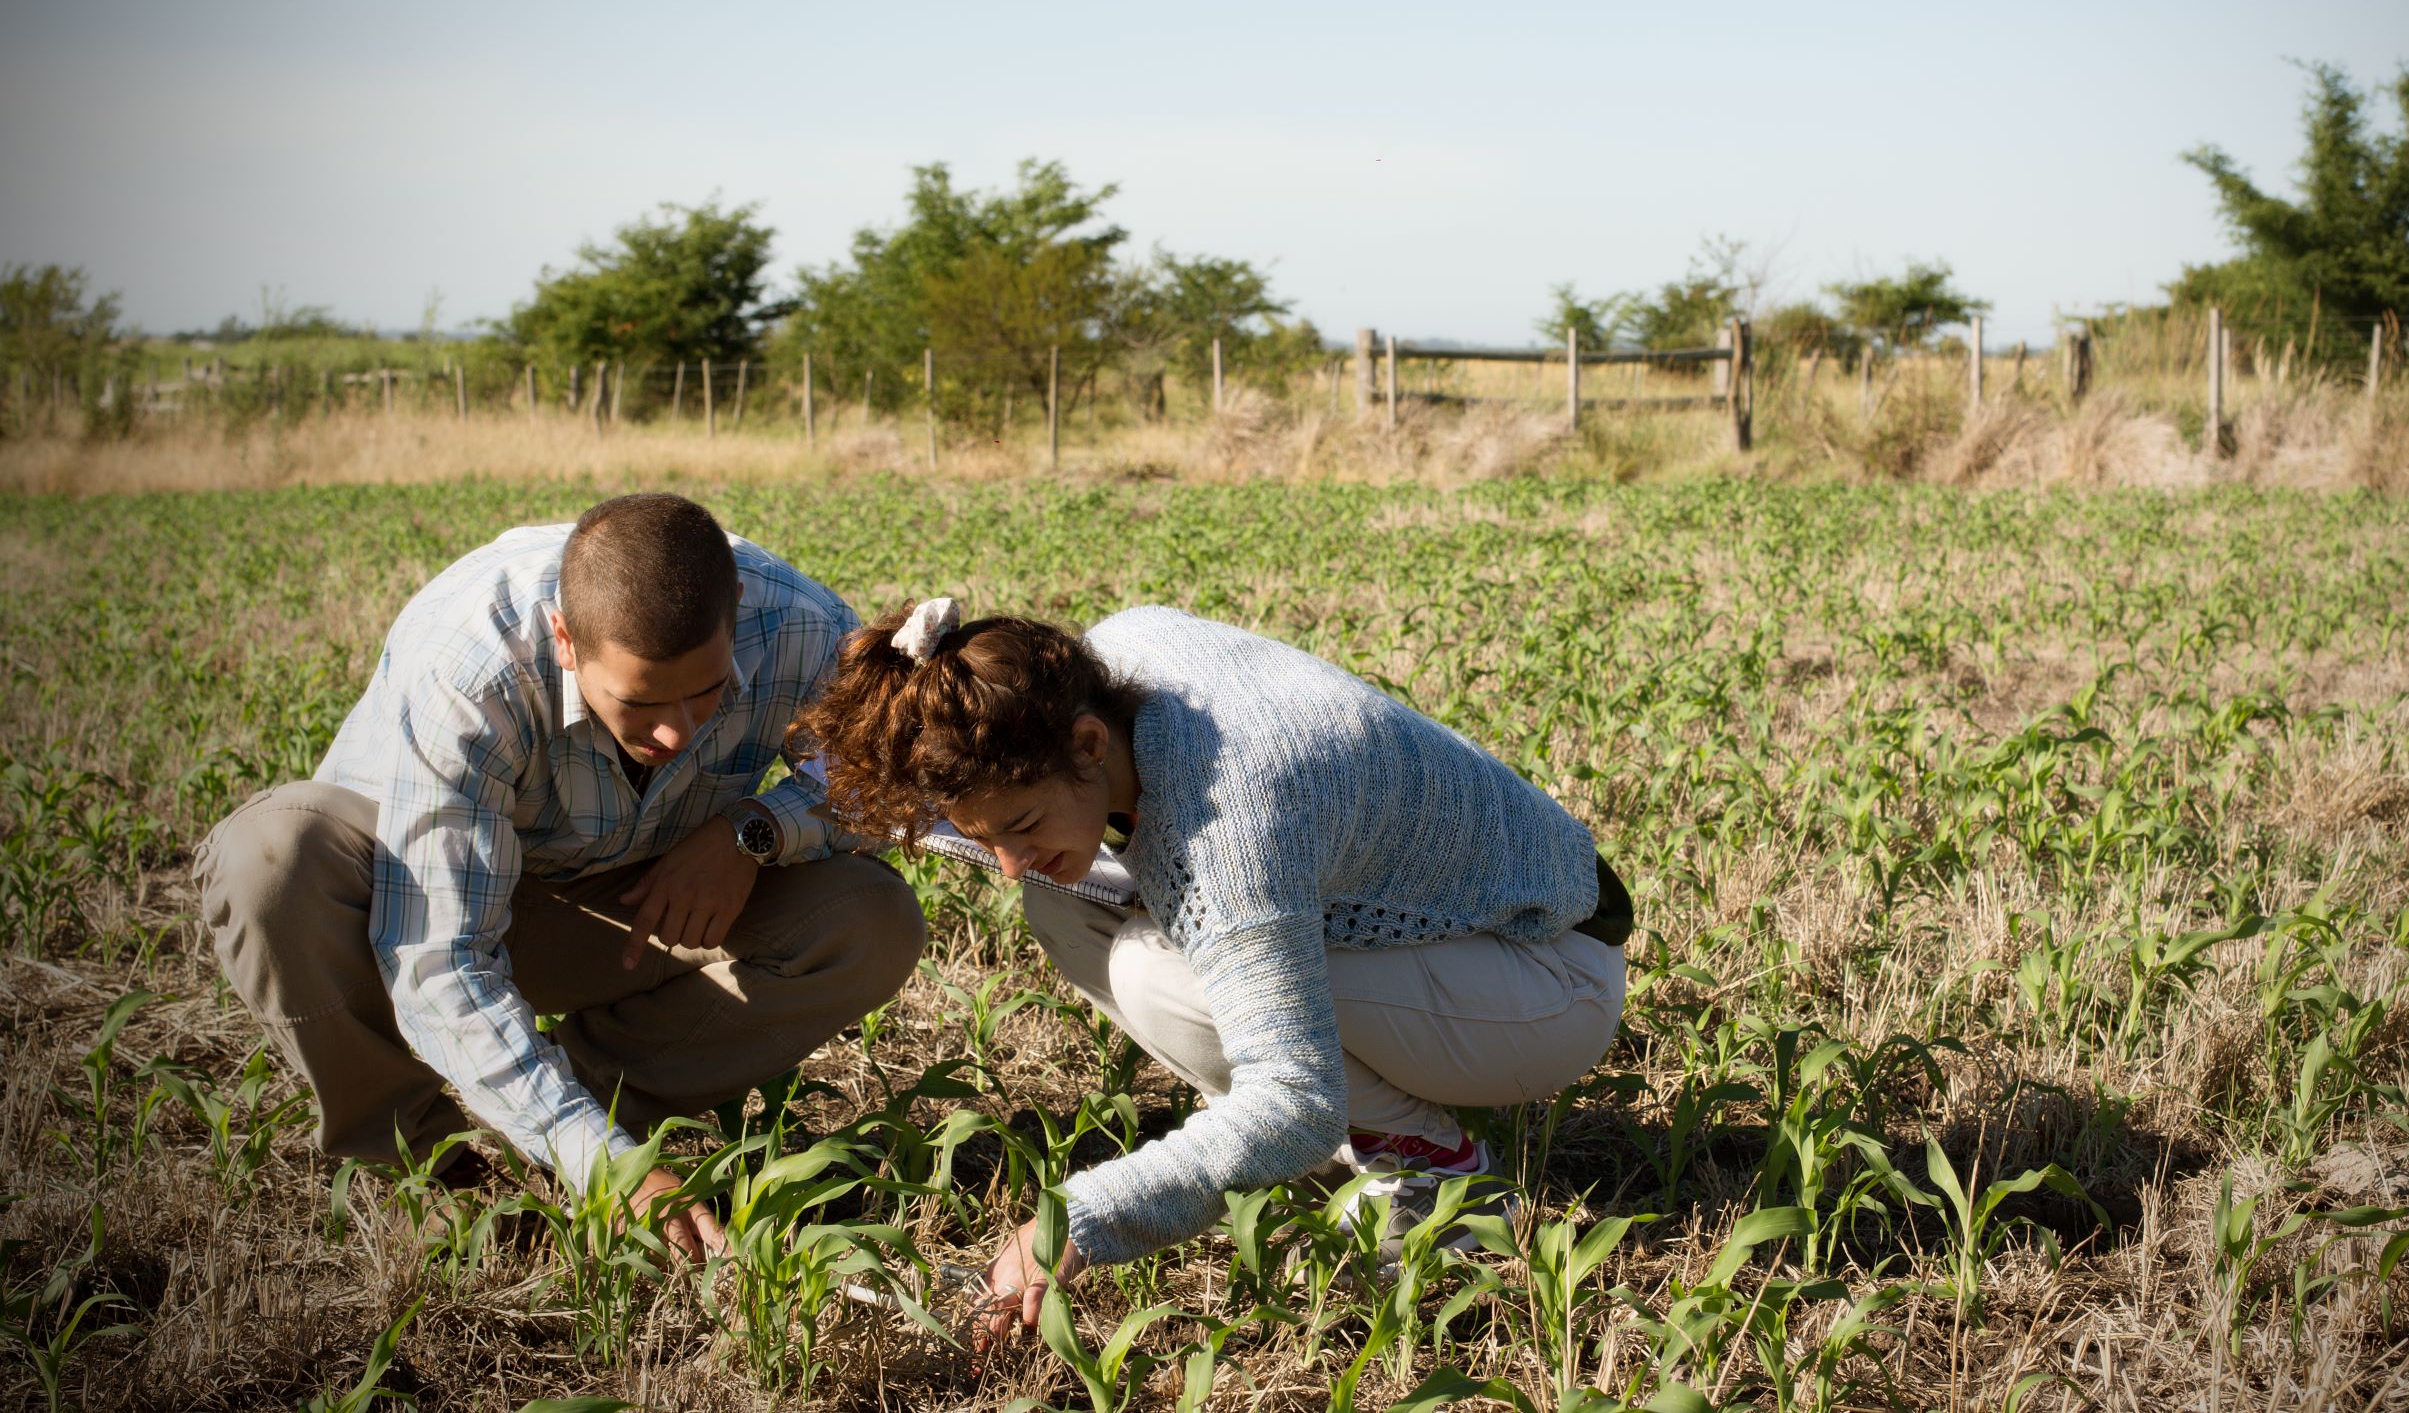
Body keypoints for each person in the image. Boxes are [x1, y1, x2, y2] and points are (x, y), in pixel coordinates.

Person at [792, 597, 1633, 1344]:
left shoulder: (1230, 824)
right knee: (1060, 895)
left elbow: (1296, 1104)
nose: (1004, 862)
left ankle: (1437, 1174)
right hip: (1461, 949)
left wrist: (1079, 1217)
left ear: (1088, 743)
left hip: (1549, 976)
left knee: (1163, 975)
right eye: (982, 838)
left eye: (1019, 822)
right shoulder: (1117, 658)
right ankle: (1312, 1136)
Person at [194, 492, 925, 1260]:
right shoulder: (471, 666)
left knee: (869, 921)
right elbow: (439, 957)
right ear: (566, 641)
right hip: (410, 900)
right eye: (641, 700)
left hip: (631, 899)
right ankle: (429, 1166)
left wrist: (752, 833)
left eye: (707, 691)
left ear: (735, 610)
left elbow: (900, 776)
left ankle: (579, 1117)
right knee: (270, 860)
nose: (679, 729)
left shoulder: (797, 622)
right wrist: (604, 1165)